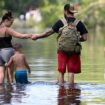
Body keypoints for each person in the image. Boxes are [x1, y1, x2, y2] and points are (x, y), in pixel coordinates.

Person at [31, 3, 88, 84]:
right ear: (73, 12)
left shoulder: (61, 22)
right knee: (71, 71)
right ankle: (71, 90)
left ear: (65, 11)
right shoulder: (79, 23)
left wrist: (37, 36)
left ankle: (61, 88)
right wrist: (76, 39)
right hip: (74, 50)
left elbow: (48, 33)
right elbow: (85, 38)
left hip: (62, 50)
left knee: (61, 71)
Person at [0, 11, 31, 84]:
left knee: (1, 73)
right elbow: (20, 35)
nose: (11, 24)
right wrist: (31, 35)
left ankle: (1, 90)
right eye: (11, 22)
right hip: (8, 51)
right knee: (10, 74)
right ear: (6, 20)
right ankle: (10, 90)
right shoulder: (7, 29)